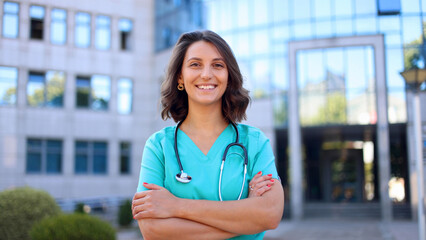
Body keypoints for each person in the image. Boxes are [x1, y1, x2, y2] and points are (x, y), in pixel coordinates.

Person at [132, 30, 284, 240]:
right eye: (195, 64)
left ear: (228, 77)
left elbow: (270, 214)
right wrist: (248, 220)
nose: (206, 74)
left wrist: (176, 206)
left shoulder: (254, 143)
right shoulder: (159, 146)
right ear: (180, 77)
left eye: (218, 65)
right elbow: (152, 230)